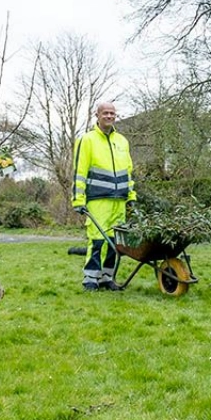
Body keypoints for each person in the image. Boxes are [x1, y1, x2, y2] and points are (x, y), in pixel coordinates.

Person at [71, 101, 136, 291]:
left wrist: (131, 195)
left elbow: (128, 171)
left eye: (112, 113)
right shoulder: (87, 140)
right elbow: (79, 171)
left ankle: (107, 277)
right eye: (105, 113)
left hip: (119, 200)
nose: (109, 116)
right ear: (97, 116)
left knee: (115, 241)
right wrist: (78, 199)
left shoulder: (122, 141)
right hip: (98, 199)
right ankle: (90, 278)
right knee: (98, 239)